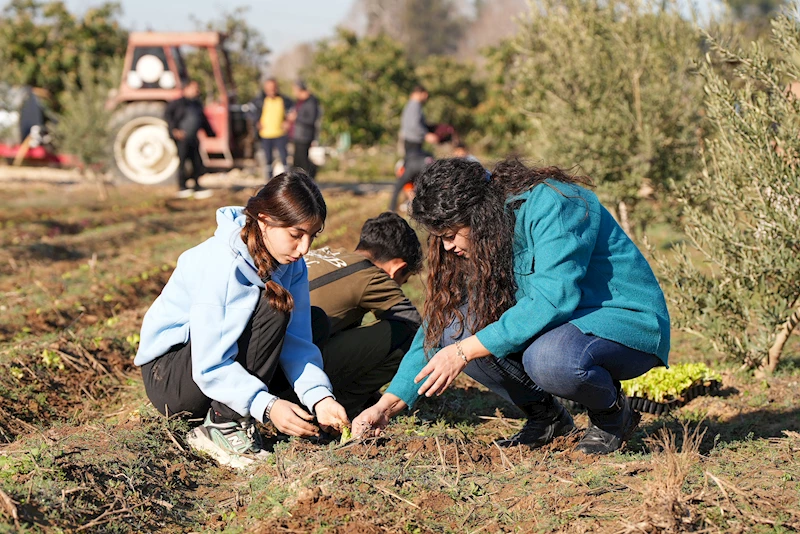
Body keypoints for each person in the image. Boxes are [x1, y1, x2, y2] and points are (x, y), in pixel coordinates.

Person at [355, 158, 671, 455]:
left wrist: (464, 351)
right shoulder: (484, 236)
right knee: (457, 329)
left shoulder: (555, 204)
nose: (448, 246)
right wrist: (387, 405)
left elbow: (553, 299)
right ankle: (547, 420)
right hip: (561, 329)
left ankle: (613, 415)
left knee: (545, 358)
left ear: (478, 214)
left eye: (451, 235)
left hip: (620, 321)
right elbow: (438, 324)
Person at [134, 169, 349, 469]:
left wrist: (319, 397)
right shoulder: (223, 264)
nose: (305, 249)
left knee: (315, 322)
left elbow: (297, 341)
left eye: (312, 236)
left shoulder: (293, 266)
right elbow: (209, 364)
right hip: (173, 379)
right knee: (275, 308)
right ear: (264, 221)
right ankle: (220, 426)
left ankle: (252, 405)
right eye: (296, 235)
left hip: (210, 365)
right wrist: (267, 406)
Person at [303, 212, 424, 416]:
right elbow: (418, 330)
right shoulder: (371, 274)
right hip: (289, 378)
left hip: (259, 368)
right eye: (404, 281)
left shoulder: (328, 254)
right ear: (397, 268)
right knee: (408, 336)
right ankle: (342, 407)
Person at [389, 85, 439, 212]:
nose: (426, 98)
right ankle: (398, 205)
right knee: (409, 174)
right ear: (421, 93)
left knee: (412, 176)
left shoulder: (414, 106)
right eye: (426, 95)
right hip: (412, 146)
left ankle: (411, 203)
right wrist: (426, 135)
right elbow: (414, 125)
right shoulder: (414, 106)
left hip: (414, 146)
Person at [164, 80, 215, 199]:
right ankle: (183, 186)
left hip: (193, 138)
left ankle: (197, 185)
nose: (197, 91)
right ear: (186, 89)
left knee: (197, 162)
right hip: (182, 138)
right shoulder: (177, 103)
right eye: (194, 88)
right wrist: (174, 130)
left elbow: (202, 119)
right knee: (183, 162)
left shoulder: (196, 104)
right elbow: (168, 117)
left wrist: (210, 132)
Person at [251, 78, 293, 180]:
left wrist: (288, 121)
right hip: (266, 134)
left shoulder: (284, 100)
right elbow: (250, 111)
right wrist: (256, 122)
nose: (272, 90)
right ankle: (269, 181)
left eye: (273, 88)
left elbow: (293, 111)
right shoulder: (260, 101)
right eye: (269, 88)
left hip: (280, 134)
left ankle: (287, 180)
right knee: (268, 159)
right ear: (265, 89)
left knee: (284, 157)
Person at [289, 80, 321, 177]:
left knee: (302, 161)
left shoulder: (311, 102)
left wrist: (296, 117)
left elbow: (311, 119)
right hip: (298, 135)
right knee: (297, 162)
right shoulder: (299, 102)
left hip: (305, 135)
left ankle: (309, 178)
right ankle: (299, 181)